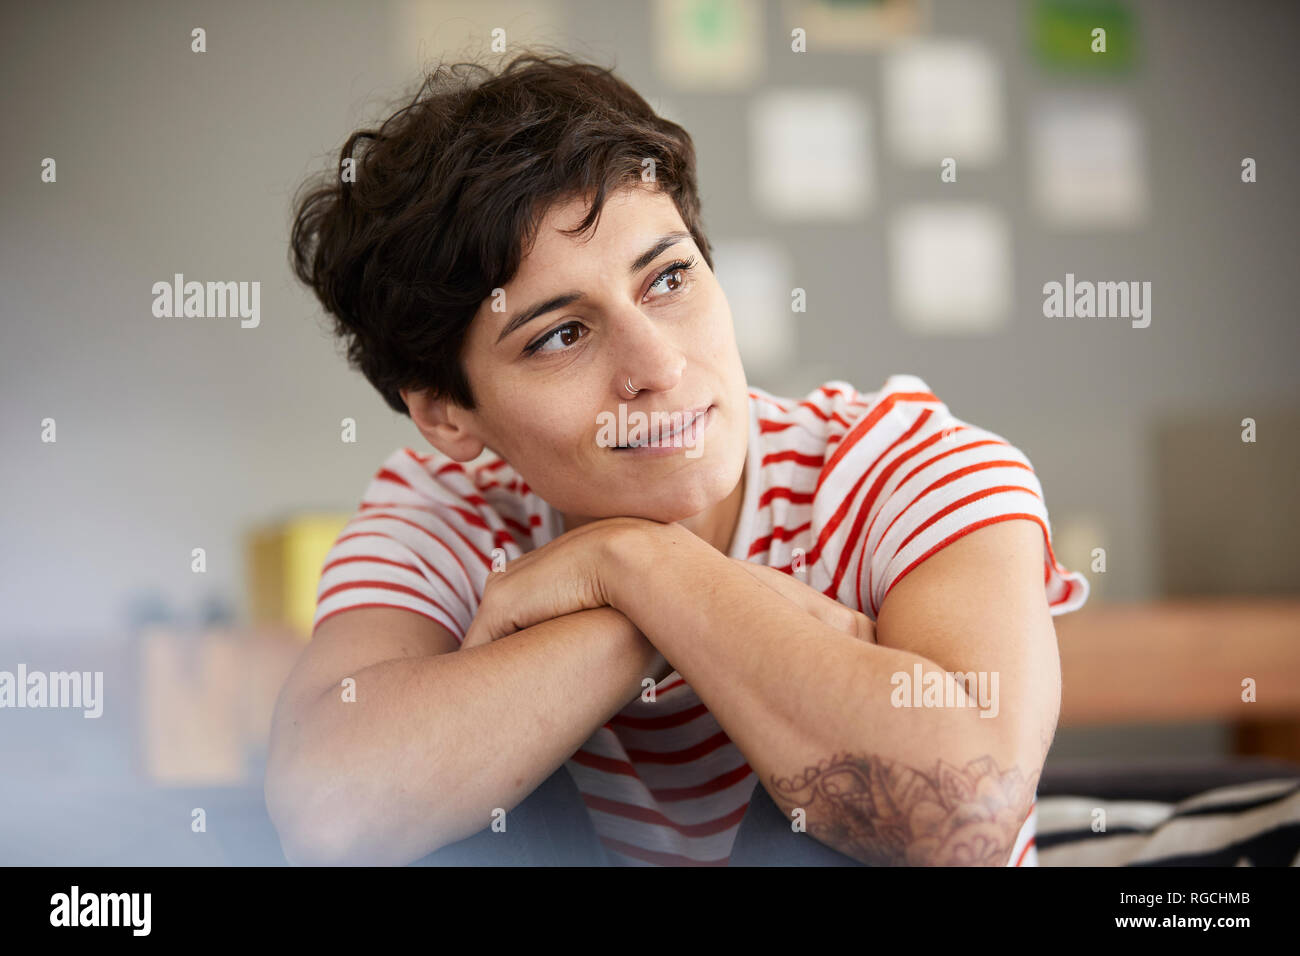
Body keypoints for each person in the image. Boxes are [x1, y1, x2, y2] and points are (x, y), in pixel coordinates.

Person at [265, 49, 1089, 867]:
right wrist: (655, 601)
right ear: (447, 414)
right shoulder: (450, 506)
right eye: (560, 334)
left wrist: (638, 561)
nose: (657, 366)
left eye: (666, 280)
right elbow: (331, 814)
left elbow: (964, 816)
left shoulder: (911, 467)